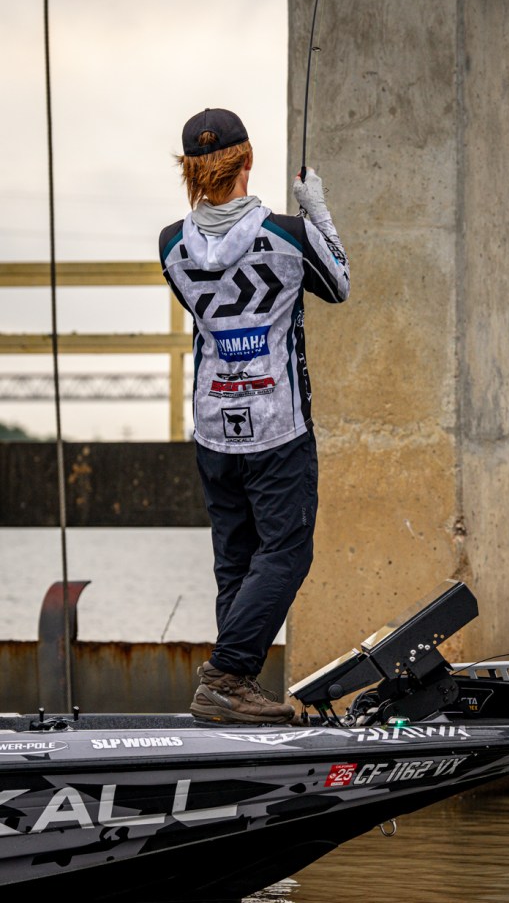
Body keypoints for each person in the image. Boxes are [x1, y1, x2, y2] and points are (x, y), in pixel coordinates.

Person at [159, 108, 349, 725]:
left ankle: (232, 694)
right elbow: (339, 283)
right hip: (277, 426)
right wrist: (316, 212)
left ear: (190, 172)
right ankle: (227, 677)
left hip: (214, 427)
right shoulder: (290, 235)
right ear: (247, 161)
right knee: (287, 552)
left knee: (236, 563)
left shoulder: (169, 245)